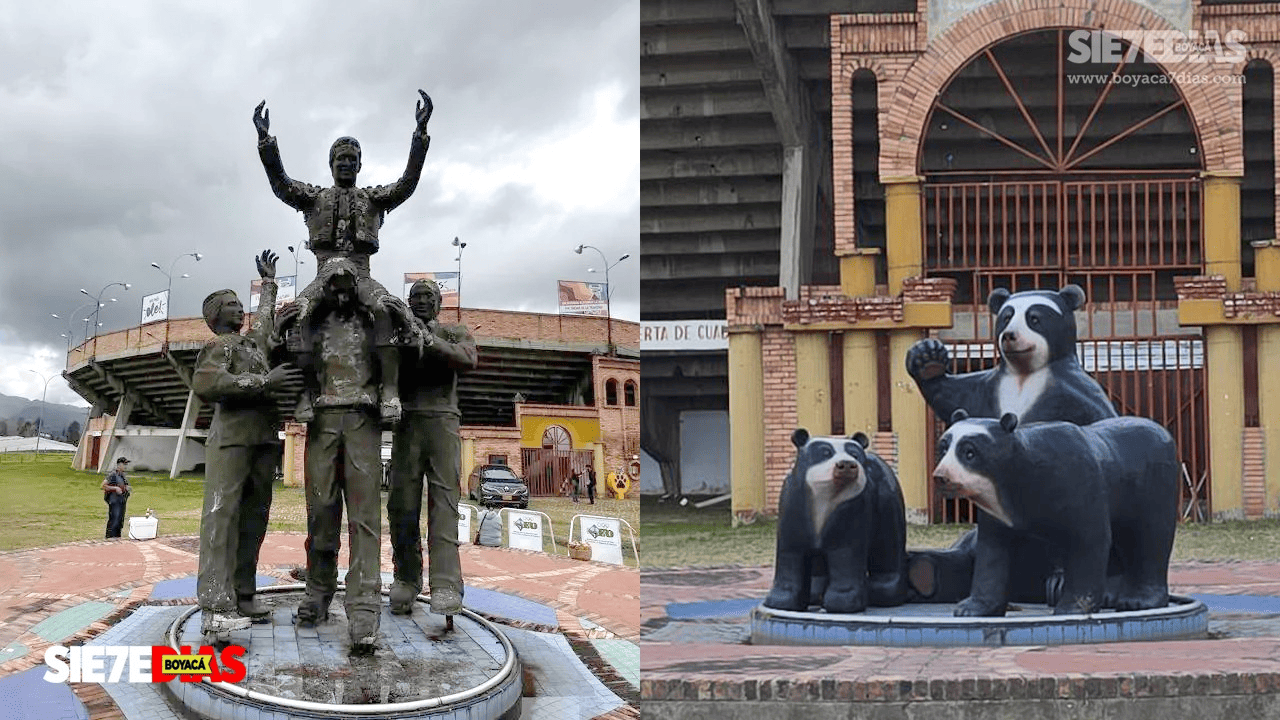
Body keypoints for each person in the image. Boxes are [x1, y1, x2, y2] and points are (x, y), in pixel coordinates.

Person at [253, 91, 433, 423]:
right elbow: (281, 184)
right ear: (331, 164)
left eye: (353, 159)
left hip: (361, 274)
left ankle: (389, 392)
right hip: (323, 276)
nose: (346, 164)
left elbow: (407, 184)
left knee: (385, 309)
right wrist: (266, 142)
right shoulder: (314, 197)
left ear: (360, 165)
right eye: (341, 159)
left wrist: (420, 137)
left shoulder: (374, 198)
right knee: (298, 315)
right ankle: (307, 392)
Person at [191, 251, 302, 640]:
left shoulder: (254, 346)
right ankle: (215, 606)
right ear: (215, 316)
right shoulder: (220, 347)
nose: (240, 309)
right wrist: (261, 384)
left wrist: (269, 284)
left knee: (254, 521)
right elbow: (206, 384)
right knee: (222, 519)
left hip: (262, 441)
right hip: (232, 441)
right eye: (232, 304)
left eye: (241, 303)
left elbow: (266, 322)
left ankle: (243, 592)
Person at [277, 261, 385, 651]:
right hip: (322, 419)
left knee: (364, 517)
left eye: (346, 287)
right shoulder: (312, 323)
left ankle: (364, 609)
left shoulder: (375, 320)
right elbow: (278, 352)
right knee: (320, 510)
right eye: (333, 287)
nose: (340, 294)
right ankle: (318, 592)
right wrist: (279, 322)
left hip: (361, 418)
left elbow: (403, 352)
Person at [388, 278, 478, 618]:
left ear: (439, 303)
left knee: (444, 503)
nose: (422, 300)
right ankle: (407, 578)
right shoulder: (400, 334)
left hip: (442, 421)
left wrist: (427, 338)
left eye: (428, 296)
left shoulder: (454, 332)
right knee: (402, 505)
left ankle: (445, 584)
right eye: (415, 296)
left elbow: (467, 359)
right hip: (407, 424)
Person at [101, 458, 131, 538]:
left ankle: (117, 537)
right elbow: (103, 485)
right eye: (124, 464)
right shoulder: (113, 474)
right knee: (114, 519)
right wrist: (115, 488)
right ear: (119, 465)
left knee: (119, 521)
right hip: (114, 501)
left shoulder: (123, 476)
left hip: (121, 501)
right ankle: (110, 537)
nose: (126, 466)